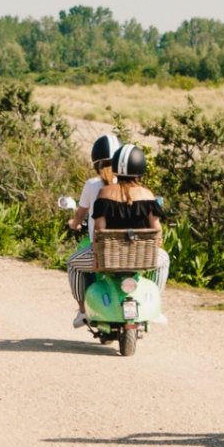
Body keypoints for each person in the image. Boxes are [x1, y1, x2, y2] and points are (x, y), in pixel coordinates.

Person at [78, 143, 170, 326]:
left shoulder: (104, 193)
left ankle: (82, 311)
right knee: (164, 261)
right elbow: (156, 228)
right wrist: (156, 241)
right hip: (141, 256)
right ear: (140, 168)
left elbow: (99, 230)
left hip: (109, 256)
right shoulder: (147, 195)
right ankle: (155, 306)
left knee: (73, 265)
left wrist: (96, 257)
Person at [66, 133, 121, 323]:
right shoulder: (129, 186)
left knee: (72, 264)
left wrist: (74, 224)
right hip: (129, 250)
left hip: (100, 252)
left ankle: (82, 310)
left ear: (96, 162)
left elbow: (81, 214)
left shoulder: (92, 185)